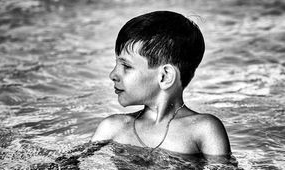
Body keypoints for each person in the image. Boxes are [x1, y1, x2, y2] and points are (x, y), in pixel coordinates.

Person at [92, 11, 231, 156]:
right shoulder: (112, 128)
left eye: (126, 66)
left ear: (165, 76)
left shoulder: (203, 129)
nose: (112, 75)